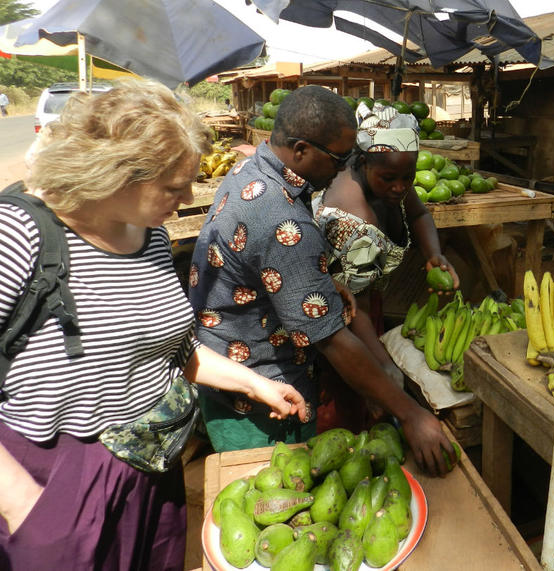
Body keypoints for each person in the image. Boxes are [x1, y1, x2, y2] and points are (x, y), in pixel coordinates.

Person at [0, 80, 307, 570]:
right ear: (115, 174)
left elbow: (174, 351)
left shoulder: (152, 238)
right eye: (172, 186)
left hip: (150, 467)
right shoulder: (20, 234)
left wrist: (255, 383)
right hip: (56, 476)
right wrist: (21, 503)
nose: (188, 196)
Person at [188, 86, 453, 475]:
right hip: (262, 396)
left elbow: (271, 270)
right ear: (300, 150)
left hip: (240, 369)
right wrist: (411, 415)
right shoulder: (283, 221)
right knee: (271, 497)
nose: (343, 167)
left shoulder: (253, 167)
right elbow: (331, 338)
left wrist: (322, 278)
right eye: (339, 158)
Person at [311, 100, 459, 431]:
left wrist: (434, 254)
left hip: (365, 299)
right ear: (363, 163)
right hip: (340, 323)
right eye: (390, 178)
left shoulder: (391, 176)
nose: (400, 187)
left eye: (408, 177)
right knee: (353, 402)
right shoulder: (356, 223)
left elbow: (419, 213)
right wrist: (385, 370)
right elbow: (354, 313)